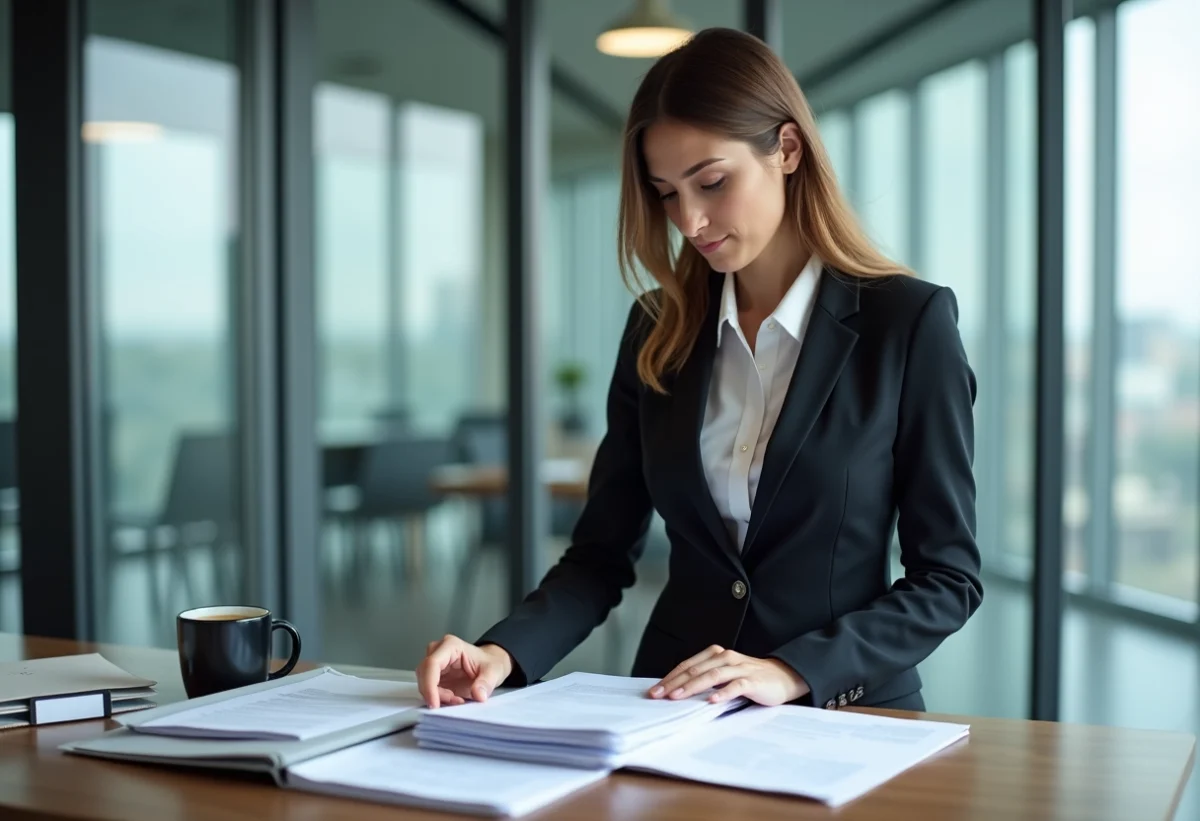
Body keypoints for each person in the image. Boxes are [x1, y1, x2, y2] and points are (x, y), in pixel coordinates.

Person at [417, 27, 982, 714]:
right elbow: (599, 556)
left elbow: (947, 578)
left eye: (712, 182)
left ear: (788, 149)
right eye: (666, 193)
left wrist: (791, 670)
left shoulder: (908, 323)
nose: (689, 220)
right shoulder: (657, 329)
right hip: (670, 707)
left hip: (843, 713)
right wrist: (503, 652)